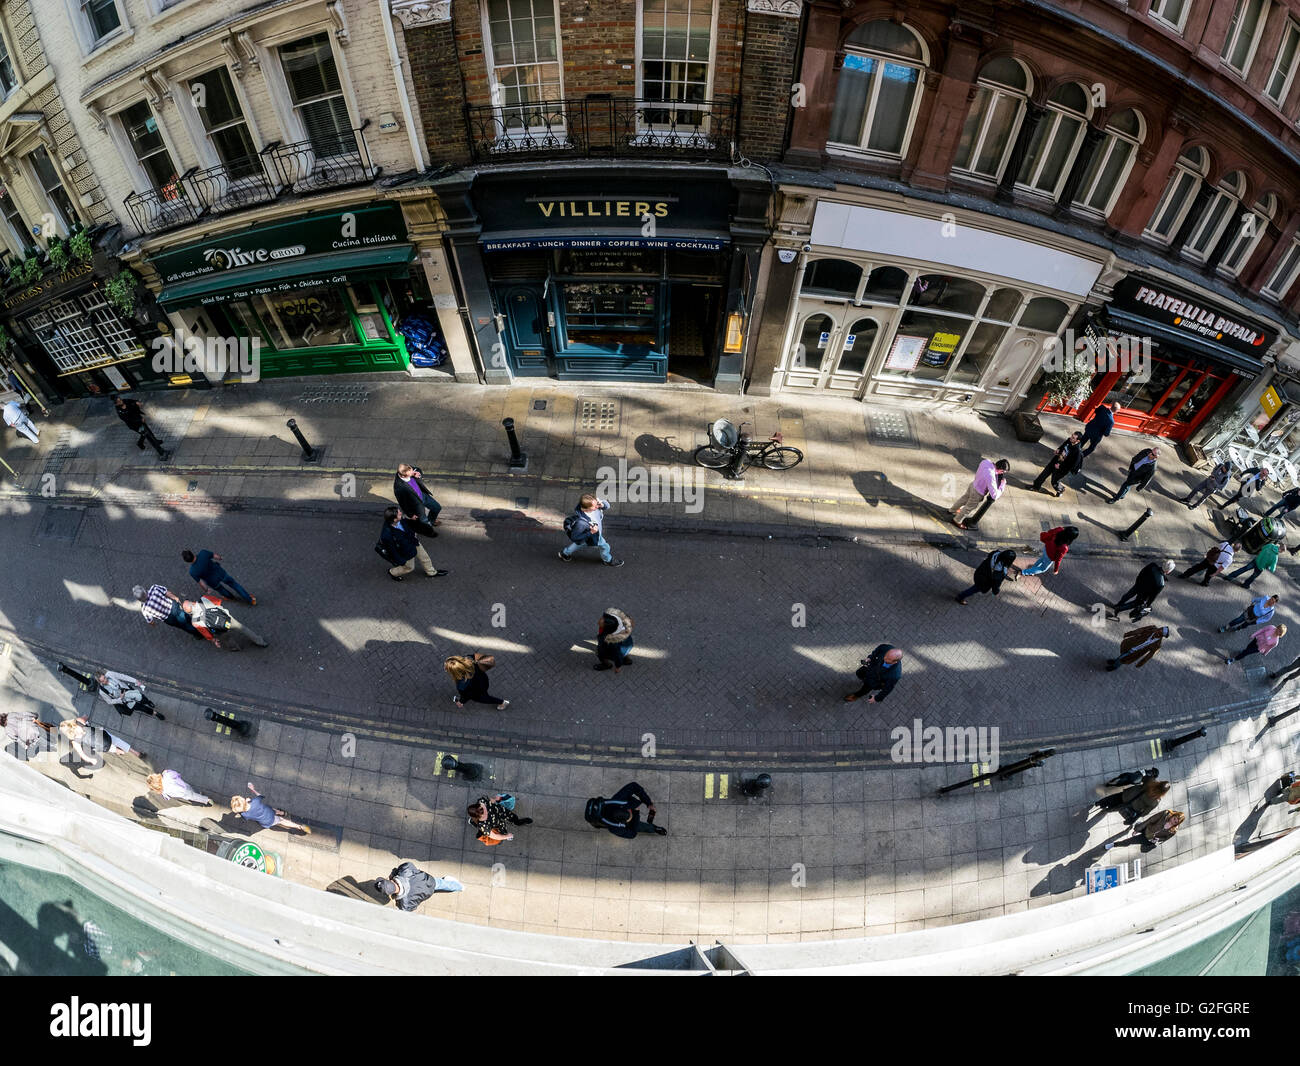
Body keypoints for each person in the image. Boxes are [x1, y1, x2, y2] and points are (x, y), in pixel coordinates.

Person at [379, 506, 448, 582]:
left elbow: (407, 525)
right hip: (406, 551)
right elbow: (392, 550)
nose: (401, 513)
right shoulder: (386, 535)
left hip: (413, 541)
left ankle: (431, 572)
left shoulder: (399, 520)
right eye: (399, 514)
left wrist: (414, 521)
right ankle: (393, 572)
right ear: (395, 519)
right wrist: (401, 561)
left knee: (424, 557)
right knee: (409, 568)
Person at [559, 493, 623, 566]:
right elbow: (575, 537)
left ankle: (564, 553)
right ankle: (607, 560)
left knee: (578, 544)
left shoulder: (593, 504)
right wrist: (591, 532)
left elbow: (607, 506)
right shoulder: (581, 523)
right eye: (595, 506)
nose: (597, 506)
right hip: (593, 536)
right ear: (586, 508)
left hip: (587, 537)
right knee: (605, 546)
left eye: (597, 503)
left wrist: (602, 504)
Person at [185, 595, 267, 650]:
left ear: (190, 613)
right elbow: (218, 602)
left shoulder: (195, 621)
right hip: (226, 618)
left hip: (218, 629)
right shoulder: (203, 599)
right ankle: (260, 641)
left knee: (227, 639)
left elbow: (206, 633)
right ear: (192, 602)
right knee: (242, 628)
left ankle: (235, 648)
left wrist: (213, 640)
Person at [375, 863, 463, 911]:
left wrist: (397, 901)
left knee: (435, 888)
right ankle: (459, 887)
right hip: (429, 881)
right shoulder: (405, 872)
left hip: (427, 893)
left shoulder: (404, 903)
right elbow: (409, 864)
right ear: (390, 880)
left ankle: (458, 887)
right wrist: (394, 874)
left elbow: (413, 908)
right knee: (441, 883)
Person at [59, 717, 145, 765]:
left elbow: (82, 754)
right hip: (103, 736)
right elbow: (86, 717)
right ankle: (136, 753)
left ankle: (119, 752)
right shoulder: (78, 721)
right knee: (117, 741)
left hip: (102, 746)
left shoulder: (74, 742)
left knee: (112, 749)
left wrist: (91, 760)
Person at [591, 782, 666, 837]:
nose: (631, 810)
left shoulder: (618, 799)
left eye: (629, 810)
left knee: (633, 804)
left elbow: (634, 786)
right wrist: (636, 814)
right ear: (624, 822)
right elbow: (632, 834)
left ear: (623, 806)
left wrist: (649, 803)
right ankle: (654, 829)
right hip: (603, 818)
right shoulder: (616, 828)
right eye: (630, 812)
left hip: (611, 808)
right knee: (638, 826)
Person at [950, 458, 1009, 529]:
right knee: (968, 508)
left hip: (973, 484)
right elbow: (994, 495)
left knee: (964, 499)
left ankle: (952, 510)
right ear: (1000, 469)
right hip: (978, 493)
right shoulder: (991, 476)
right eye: (1003, 472)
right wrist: (1002, 485)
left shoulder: (986, 461)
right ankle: (957, 520)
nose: (1002, 473)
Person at [230, 782, 311, 833]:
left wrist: (245, 804)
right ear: (243, 800)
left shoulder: (244, 814)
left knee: (277, 818)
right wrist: (253, 789)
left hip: (266, 822)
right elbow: (261, 796)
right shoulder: (255, 801)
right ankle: (298, 826)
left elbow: (247, 812)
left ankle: (284, 815)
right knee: (281, 820)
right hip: (269, 813)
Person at [181, 549, 255, 605]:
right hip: (220, 573)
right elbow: (215, 556)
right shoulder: (203, 553)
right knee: (234, 585)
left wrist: (206, 590)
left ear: (187, 561)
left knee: (221, 589)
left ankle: (230, 597)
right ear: (192, 553)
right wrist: (220, 558)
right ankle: (249, 599)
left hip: (212, 581)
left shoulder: (192, 571)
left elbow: (201, 583)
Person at [445, 653, 509, 710]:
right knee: (484, 694)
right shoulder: (469, 658)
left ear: (456, 672)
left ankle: (503, 702)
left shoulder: (462, 684)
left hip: (477, 691)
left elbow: (467, 695)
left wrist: (460, 702)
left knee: (486, 698)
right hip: (484, 680)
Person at [134, 583, 200, 637]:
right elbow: (167, 593)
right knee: (185, 616)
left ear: (139, 599)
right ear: (143, 589)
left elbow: (150, 621)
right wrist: (175, 598)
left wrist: (153, 624)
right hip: (174, 607)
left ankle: (198, 634)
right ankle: (198, 625)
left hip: (169, 619)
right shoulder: (154, 588)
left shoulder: (144, 609)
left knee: (183, 626)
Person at [114, 396, 168, 460]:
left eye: (120, 399)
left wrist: (137, 402)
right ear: (116, 404)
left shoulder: (125, 401)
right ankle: (161, 453)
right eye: (119, 401)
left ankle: (142, 443)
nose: (121, 401)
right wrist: (140, 420)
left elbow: (132, 400)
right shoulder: (120, 412)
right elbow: (129, 420)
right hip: (136, 426)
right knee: (149, 436)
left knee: (148, 432)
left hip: (141, 421)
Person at [95, 670, 164, 721]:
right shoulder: (102, 691)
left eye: (104, 678)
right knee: (141, 708)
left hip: (127, 690)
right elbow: (109, 701)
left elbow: (123, 676)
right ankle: (155, 713)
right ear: (100, 682)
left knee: (141, 697)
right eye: (103, 680)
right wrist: (119, 699)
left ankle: (148, 702)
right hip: (125, 700)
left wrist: (135, 681)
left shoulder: (110, 674)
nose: (106, 680)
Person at [466, 793, 532, 845]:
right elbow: (494, 836)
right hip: (498, 824)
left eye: (483, 808)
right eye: (483, 815)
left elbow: (491, 800)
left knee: (513, 816)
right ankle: (473, 822)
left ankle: (517, 822)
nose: (486, 812)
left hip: (500, 811)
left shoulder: (482, 801)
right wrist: (506, 836)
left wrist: (497, 799)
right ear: (478, 817)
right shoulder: (484, 826)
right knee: (503, 832)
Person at [1105, 809, 1185, 852]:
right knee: (1137, 826)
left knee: (1129, 841)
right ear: (1173, 815)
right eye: (1174, 818)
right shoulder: (1165, 814)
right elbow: (1150, 820)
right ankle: (1136, 826)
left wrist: (1158, 839)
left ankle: (1114, 844)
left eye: (1176, 822)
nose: (1173, 821)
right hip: (1147, 828)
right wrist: (1138, 829)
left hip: (1149, 838)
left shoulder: (1173, 831)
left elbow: (1165, 839)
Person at [1093, 778, 1170, 820]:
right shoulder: (1155, 802)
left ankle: (1099, 803)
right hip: (1129, 806)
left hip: (1127, 795)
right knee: (1115, 808)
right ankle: (1106, 810)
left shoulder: (1151, 781)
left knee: (1111, 798)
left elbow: (1143, 779)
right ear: (1163, 793)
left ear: (1161, 782)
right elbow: (1144, 813)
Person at [1106, 625, 1170, 671]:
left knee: (1123, 659)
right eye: (1159, 629)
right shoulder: (1152, 628)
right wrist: (1129, 634)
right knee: (1122, 654)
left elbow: (1150, 655)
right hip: (1131, 644)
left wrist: (1141, 663)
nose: (1156, 631)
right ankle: (1115, 661)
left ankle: (1114, 666)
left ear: (1161, 635)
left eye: (1159, 632)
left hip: (1136, 652)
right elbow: (1140, 630)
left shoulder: (1157, 644)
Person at [146, 770, 213, 806]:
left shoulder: (163, 791)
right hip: (183, 786)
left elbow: (167, 798)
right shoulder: (167, 775)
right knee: (192, 791)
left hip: (182, 794)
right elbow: (176, 774)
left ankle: (205, 800)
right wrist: (166, 771)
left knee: (193, 797)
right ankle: (206, 799)